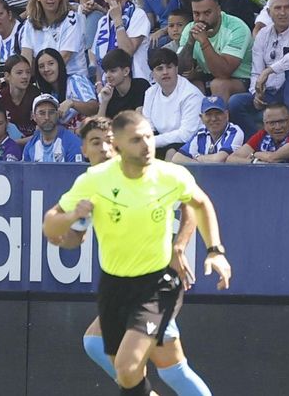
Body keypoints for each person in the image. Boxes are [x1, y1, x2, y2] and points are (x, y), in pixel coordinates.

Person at [42, 109, 233, 396]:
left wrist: (210, 249)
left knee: (132, 366)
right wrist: (68, 224)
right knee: (135, 369)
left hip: (158, 284)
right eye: (136, 140)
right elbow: (55, 228)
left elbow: (198, 203)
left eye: (148, 137)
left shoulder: (169, 174)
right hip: (115, 286)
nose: (146, 146)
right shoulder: (93, 181)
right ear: (118, 146)